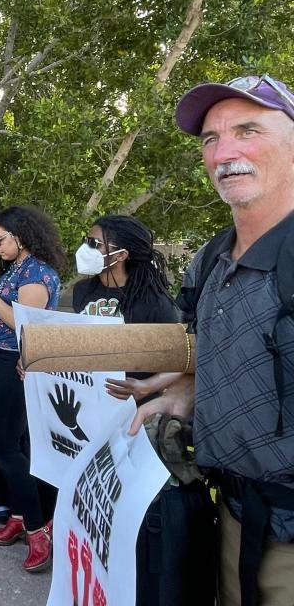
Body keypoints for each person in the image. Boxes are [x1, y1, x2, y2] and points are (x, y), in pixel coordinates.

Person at [133, 75, 294, 606]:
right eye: (210, 139)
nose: (225, 152)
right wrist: (189, 388)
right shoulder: (211, 259)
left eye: (248, 130)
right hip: (232, 514)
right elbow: (228, 344)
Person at [74, 214, 215, 605]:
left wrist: (149, 392)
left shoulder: (155, 303)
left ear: (119, 254)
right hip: (90, 413)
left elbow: (181, 362)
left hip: (137, 419)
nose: (85, 249)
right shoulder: (83, 291)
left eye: (93, 243)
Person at [0, 205, 63, 572]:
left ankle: (38, 529)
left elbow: (22, 324)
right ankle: (20, 515)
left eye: (0, 239)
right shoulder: (16, 270)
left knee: (3, 444)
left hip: (19, 365)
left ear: (23, 236)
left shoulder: (36, 275)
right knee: (14, 443)